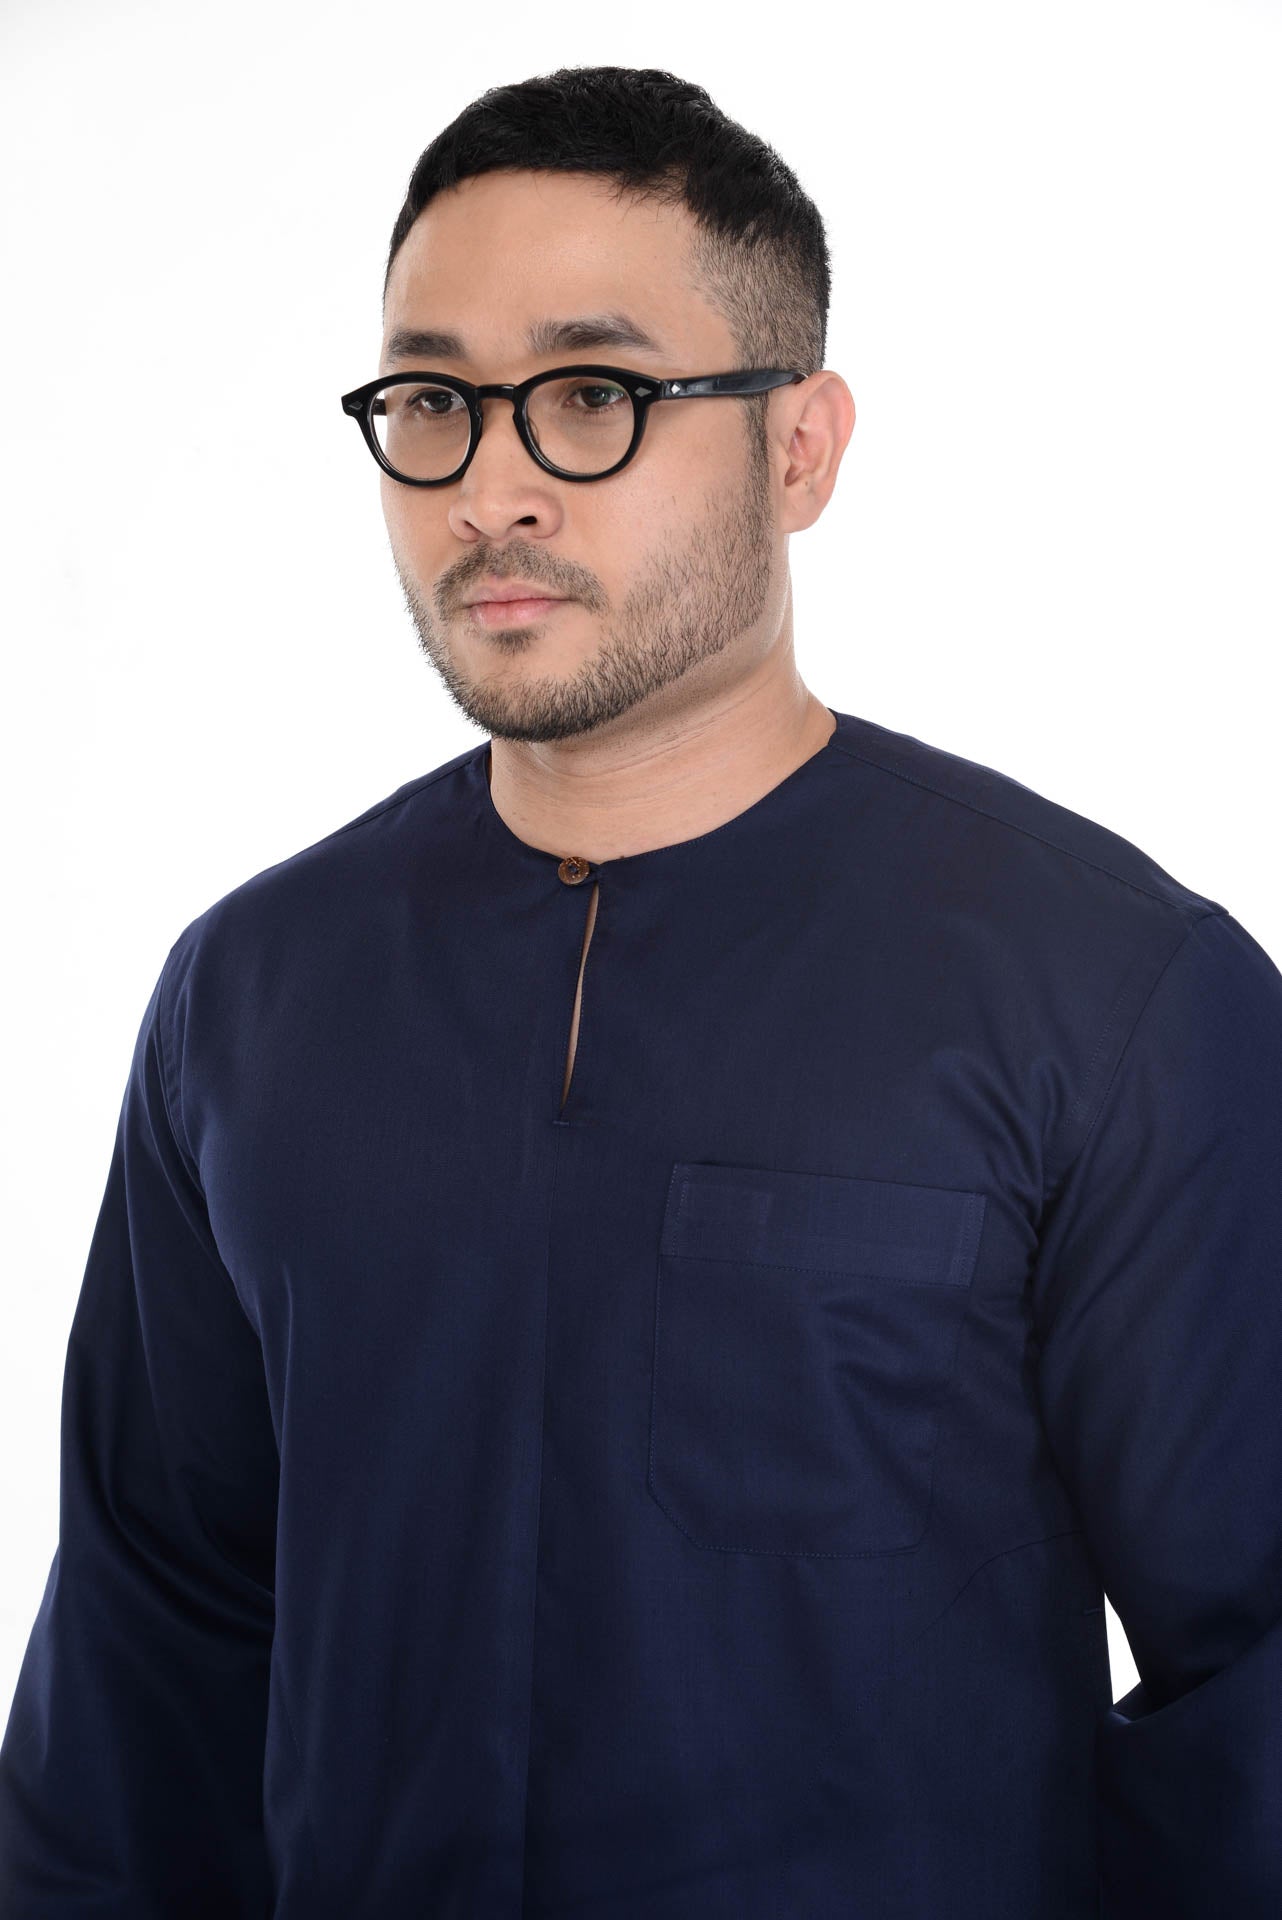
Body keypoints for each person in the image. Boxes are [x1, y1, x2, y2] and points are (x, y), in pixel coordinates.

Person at [2, 63, 1279, 1920]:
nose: (490, 485)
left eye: (592, 394)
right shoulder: (250, 998)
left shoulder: (1109, 994)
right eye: (431, 401)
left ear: (799, 448)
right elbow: (150, 1650)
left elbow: (1252, 1682)